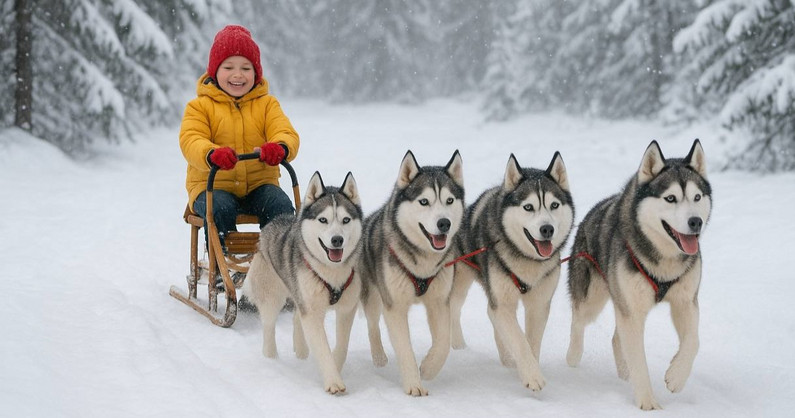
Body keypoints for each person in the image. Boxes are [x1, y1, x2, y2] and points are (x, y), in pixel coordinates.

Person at [179, 25, 299, 249]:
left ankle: (277, 259)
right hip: (212, 186)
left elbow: (285, 131)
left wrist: (280, 147)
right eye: (229, 67)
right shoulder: (200, 107)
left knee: (280, 205)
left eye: (246, 68)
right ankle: (225, 260)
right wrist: (211, 154)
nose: (237, 75)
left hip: (259, 185)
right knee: (220, 208)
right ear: (215, 71)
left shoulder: (267, 105)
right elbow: (191, 139)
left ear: (256, 73)